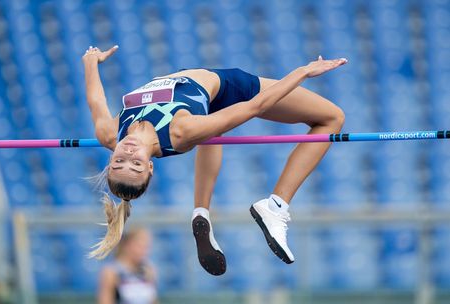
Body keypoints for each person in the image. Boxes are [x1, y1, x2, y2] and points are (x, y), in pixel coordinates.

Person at [83, 45, 347, 276]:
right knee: (332, 118)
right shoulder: (180, 130)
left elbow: (96, 100)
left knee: (211, 130)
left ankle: (201, 213)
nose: (128, 155)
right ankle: (276, 206)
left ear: (110, 161)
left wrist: (91, 61)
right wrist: (303, 71)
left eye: (119, 163)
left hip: (206, 108)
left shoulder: (110, 134)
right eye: (136, 164)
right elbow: (254, 107)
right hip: (229, 88)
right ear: (150, 166)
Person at [98, 227, 166, 304]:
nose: (144, 251)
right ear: (127, 245)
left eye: (147, 247)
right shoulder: (112, 272)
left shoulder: (149, 271)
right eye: (140, 246)